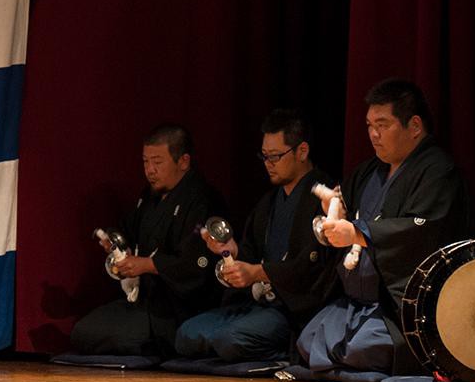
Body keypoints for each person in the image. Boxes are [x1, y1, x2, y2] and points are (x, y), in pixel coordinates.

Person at [289, 78, 470, 382]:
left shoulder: (439, 171)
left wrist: (358, 232)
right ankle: (349, 367)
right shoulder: (368, 170)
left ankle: (355, 366)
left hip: (396, 309)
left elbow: (421, 231)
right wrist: (334, 211)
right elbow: (343, 206)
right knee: (308, 341)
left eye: (383, 125)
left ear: (414, 126)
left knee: (361, 348)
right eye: (370, 124)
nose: (373, 134)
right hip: (356, 304)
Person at [176, 110, 339, 364]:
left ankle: (289, 352)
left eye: (275, 156)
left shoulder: (325, 198)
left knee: (229, 339)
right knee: (186, 334)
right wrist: (231, 253)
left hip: (292, 309)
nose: (268, 163)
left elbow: (312, 267)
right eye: (264, 156)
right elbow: (250, 255)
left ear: (302, 151)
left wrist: (258, 273)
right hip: (258, 304)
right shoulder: (269, 202)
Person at [67, 124, 225, 358]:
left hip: (178, 310)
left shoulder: (202, 201)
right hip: (146, 302)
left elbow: (197, 265)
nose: (150, 170)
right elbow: (128, 233)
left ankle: (166, 343)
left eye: (158, 162)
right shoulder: (149, 197)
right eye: (145, 162)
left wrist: (149, 265)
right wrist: (118, 248)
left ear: (183, 161)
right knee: (82, 332)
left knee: (113, 336)